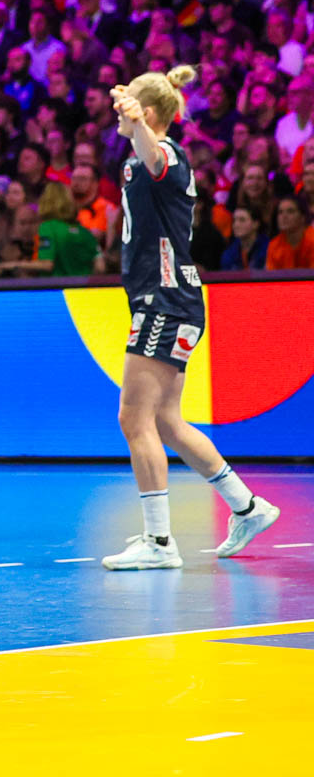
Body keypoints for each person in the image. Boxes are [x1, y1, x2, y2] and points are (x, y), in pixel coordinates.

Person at [101, 67, 278, 570]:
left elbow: (156, 155)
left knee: (133, 418)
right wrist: (135, 120)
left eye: (130, 105)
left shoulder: (166, 154)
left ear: (149, 114)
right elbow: (145, 154)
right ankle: (248, 507)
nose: (119, 111)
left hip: (166, 299)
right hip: (167, 299)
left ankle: (159, 543)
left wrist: (138, 123)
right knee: (167, 421)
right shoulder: (140, 157)